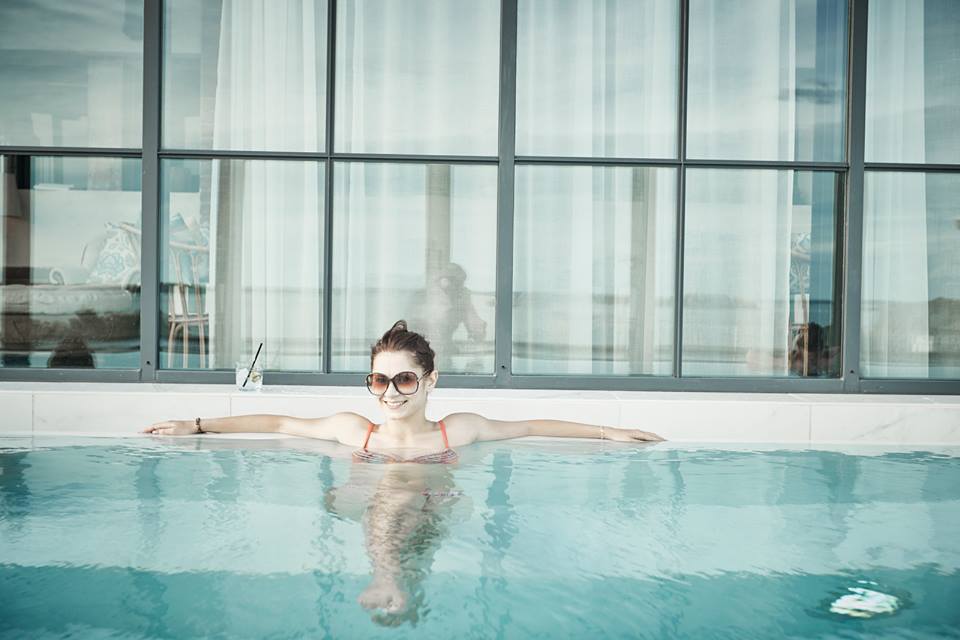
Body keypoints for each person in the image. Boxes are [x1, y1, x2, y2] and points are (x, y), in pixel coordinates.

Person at [143, 320, 663, 620]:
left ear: (431, 381)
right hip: (364, 503)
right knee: (397, 487)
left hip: (436, 508)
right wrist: (196, 424)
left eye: (405, 380)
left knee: (409, 491)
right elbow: (279, 421)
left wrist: (609, 432)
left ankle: (395, 583)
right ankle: (392, 580)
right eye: (379, 381)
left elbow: (529, 426)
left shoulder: (456, 430)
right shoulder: (356, 430)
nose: (390, 393)